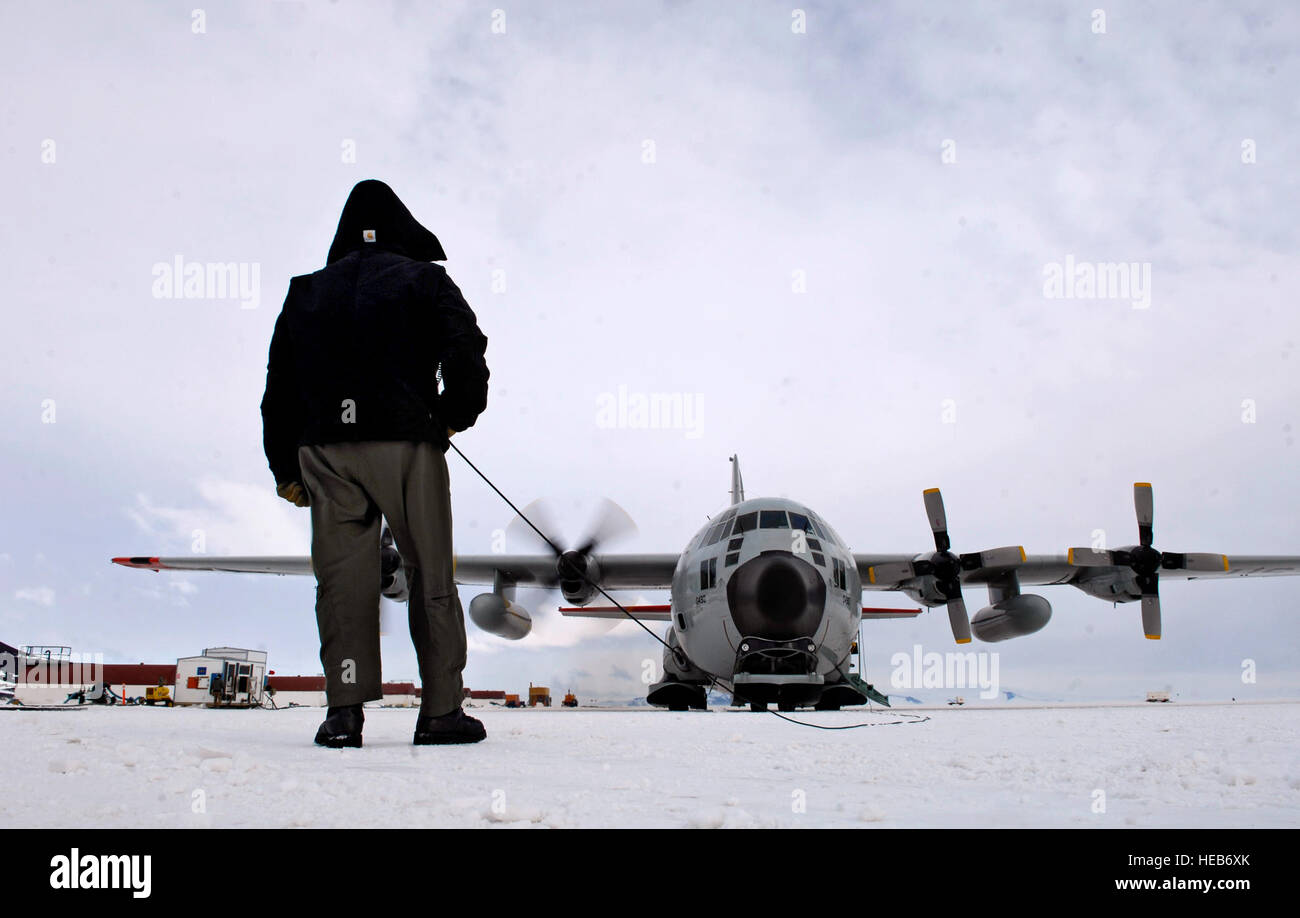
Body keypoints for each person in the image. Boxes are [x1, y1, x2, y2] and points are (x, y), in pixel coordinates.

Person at [260, 179, 489, 748]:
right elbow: (467, 347)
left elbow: (278, 387)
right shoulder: (425, 279)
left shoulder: (305, 291)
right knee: (429, 574)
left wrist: (285, 468)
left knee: (341, 583)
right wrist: (454, 414)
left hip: (325, 451)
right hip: (406, 444)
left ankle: (343, 714)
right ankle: (439, 713)